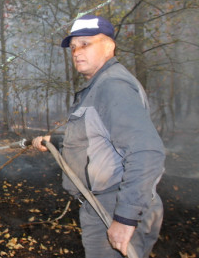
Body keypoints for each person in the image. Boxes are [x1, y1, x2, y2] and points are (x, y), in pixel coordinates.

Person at [32, 14, 165, 258]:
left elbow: (147, 152)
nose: (76, 52)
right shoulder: (97, 86)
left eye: (85, 44)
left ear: (109, 46)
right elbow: (99, 138)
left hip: (114, 207)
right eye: (73, 48)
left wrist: (125, 218)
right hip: (102, 205)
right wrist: (57, 144)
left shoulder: (112, 86)